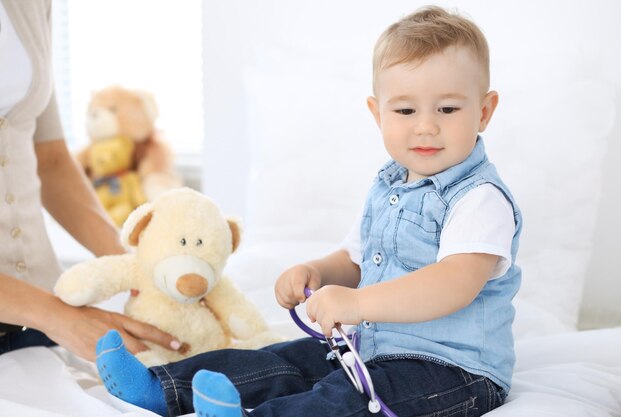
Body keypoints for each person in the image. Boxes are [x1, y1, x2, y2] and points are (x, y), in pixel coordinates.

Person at [95, 5, 522, 416]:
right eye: (405, 110)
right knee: (283, 361)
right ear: (377, 113)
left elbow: (454, 284)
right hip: (370, 349)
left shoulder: (479, 197)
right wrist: (317, 272)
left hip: (451, 372)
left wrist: (357, 304)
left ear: (483, 111)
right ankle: (161, 387)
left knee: (344, 400)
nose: (425, 125)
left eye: (447, 109)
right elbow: (356, 259)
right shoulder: (388, 186)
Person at [0, 0, 180, 360]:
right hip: (47, 314)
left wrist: (135, 266)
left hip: (41, 317)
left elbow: (50, 159)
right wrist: (55, 315)